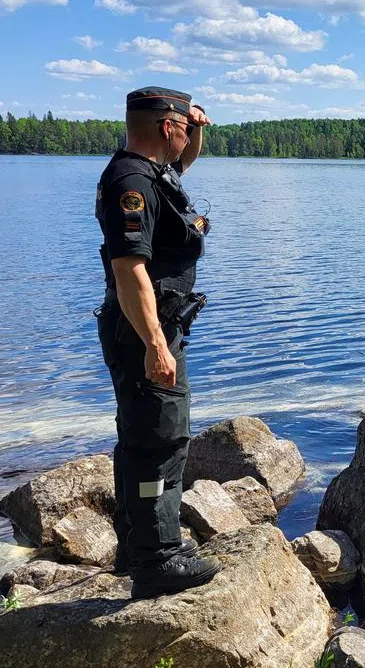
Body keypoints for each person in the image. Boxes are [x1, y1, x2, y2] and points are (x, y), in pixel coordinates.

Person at [95, 87, 219, 598]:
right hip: (144, 331)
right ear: (166, 127)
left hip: (153, 327)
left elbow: (183, 162)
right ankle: (157, 562)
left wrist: (198, 133)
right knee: (159, 440)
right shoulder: (132, 182)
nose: (189, 137)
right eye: (184, 129)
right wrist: (155, 344)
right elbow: (129, 269)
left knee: (142, 436)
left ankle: (137, 546)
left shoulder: (150, 172)